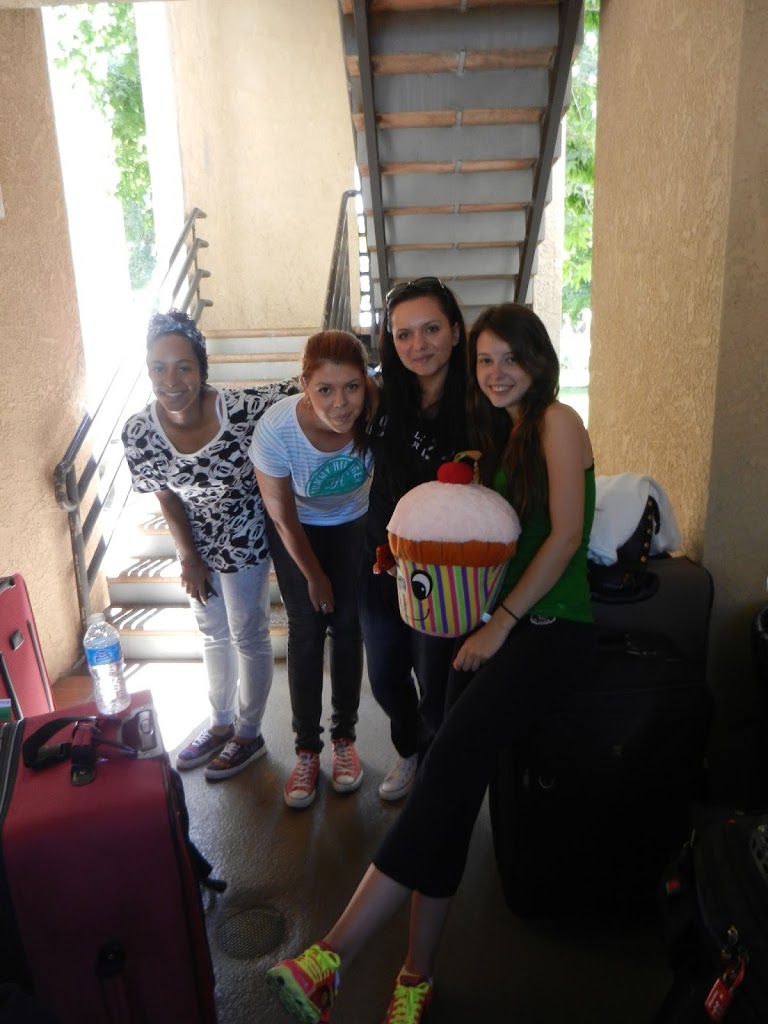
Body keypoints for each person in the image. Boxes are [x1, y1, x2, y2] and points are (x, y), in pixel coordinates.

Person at [265, 303, 597, 1023]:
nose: (496, 372)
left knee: (441, 774)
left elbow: (567, 537)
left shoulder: (557, 422)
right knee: (448, 793)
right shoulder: (501, 434)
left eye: (511, 358)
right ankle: (414, 977)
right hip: (498, 627)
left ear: (539, 360)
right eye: (486, 360)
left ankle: (330, 956)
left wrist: (500, 624)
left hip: (549, 629)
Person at [121, 309, 297, 780]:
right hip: (195, 538)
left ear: (202, 368)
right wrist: (189, 558)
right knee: (211, 633)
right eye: (159, 368)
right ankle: (220, 724)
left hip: (244, 532)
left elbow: (305, 384)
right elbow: (165, 496)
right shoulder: (139, 432)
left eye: (183, 367)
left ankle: (249, 733)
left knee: (248, 632)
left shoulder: (241, 409)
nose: (171, 381)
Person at [250, 330, 375, 809]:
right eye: (325, 389)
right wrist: (314, 577)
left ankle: (344, 740)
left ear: (365, 383)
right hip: (297, 528)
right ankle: (306, 749)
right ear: (305, 385)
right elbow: (282, 517)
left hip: (352, 523)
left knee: (348, 625)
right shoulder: (277, 430)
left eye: (352, 387)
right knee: (307, 627)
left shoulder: (376, 411)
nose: (340, 403)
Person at [361, 277, 469, 802]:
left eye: (431, 329)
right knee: (384, 677)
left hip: (440, 572)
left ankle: (432, 771)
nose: (418, 345)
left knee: (435, 682)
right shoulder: (383, 395)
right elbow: (319, 393)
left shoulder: (477, 402)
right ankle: (409, 749)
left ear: (455, 330)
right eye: (404, 334)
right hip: (381, 560)